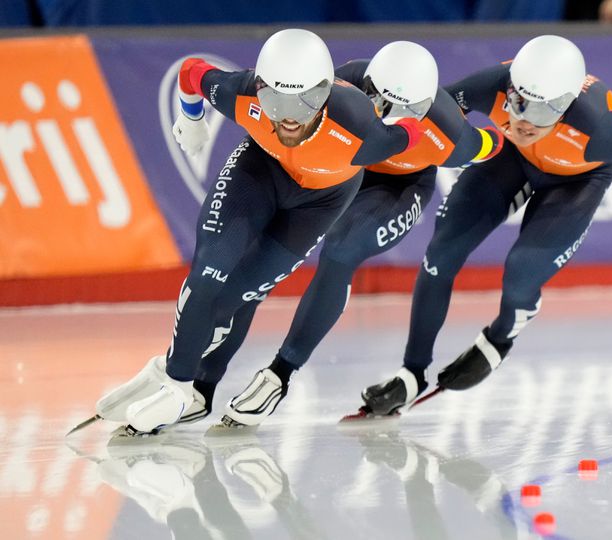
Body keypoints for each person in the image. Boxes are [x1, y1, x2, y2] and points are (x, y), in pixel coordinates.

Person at [93, 28, 424, 436]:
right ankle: (178, 383)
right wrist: (191, 117)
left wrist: (474, 144)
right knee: (208, 275)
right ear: (260, 87)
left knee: (237, 296)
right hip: (258, 173)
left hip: (318, 204)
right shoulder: (242, 94)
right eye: (275, 98)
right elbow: (192, 73)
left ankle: (194, 387)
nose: (288, 114)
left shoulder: (362, 130)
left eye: (304, 99)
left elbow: (417, 131)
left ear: (324, 93)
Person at [357, 35, 612, 412]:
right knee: (442, 251)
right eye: (517, 103)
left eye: (540, 112)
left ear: (567, 107)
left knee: (522, 270)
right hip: (511, 158)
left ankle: (500, 339)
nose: (523, 119)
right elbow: (428, 114)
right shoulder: (491, 84)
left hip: (576, 182)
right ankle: (412, 372)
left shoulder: (602, 134)